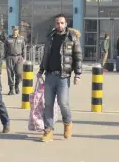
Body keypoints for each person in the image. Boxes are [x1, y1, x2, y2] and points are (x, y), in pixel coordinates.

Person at [37, 14, 82, 142]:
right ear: (55, 24)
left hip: (63, 76)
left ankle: (67, 123)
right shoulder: (50, 37)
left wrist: (77, 75)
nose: (59, 25)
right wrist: (41, 71)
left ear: (66, 24)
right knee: (48, 104)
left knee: (63, 102)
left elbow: (78, 57)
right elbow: (46, 55)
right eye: (57, 23)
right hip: (50, 75)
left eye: (62, 23)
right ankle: (48, 131)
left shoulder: (72, 38)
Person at [4, 26, 26, 95]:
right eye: (14, 30)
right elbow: (5, 48)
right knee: (10, 74)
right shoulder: (8, 39)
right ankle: (11, 89)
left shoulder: (21, 39)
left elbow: (24, 48)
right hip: (10, 57)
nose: (15, 31)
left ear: (18, 31)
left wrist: (24, 58)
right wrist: (6, 57)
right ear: (12, 30)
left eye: (16, 30)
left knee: (19, 74)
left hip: (19, 58)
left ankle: (16, 85)